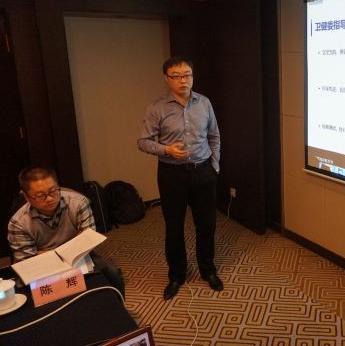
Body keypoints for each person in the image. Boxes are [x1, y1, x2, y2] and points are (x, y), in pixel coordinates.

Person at [138, 56, 222, 300]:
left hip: (203, 171)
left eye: (187, 75)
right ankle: (177, 274)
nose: (183, 80)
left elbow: (214, 136)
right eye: (176, 76)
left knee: (206, 224)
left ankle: (208, 269)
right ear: (167, 79)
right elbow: (143, 141)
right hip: (171, 174)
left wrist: (214, 166)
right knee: (174, 226)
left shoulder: (204, 103)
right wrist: (166, 150)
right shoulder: (157, 107)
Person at [7, 166, 125, 296]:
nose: (50, 198)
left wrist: (42, 252)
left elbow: (88, 239)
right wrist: (71, 246)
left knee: (112, 273)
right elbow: (27, 260)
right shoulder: (18, 223)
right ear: (26, 197)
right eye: (40, 195)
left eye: (53, 191)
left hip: (79, 257)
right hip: (41, 267)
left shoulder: (78, 202)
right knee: (29, 293)